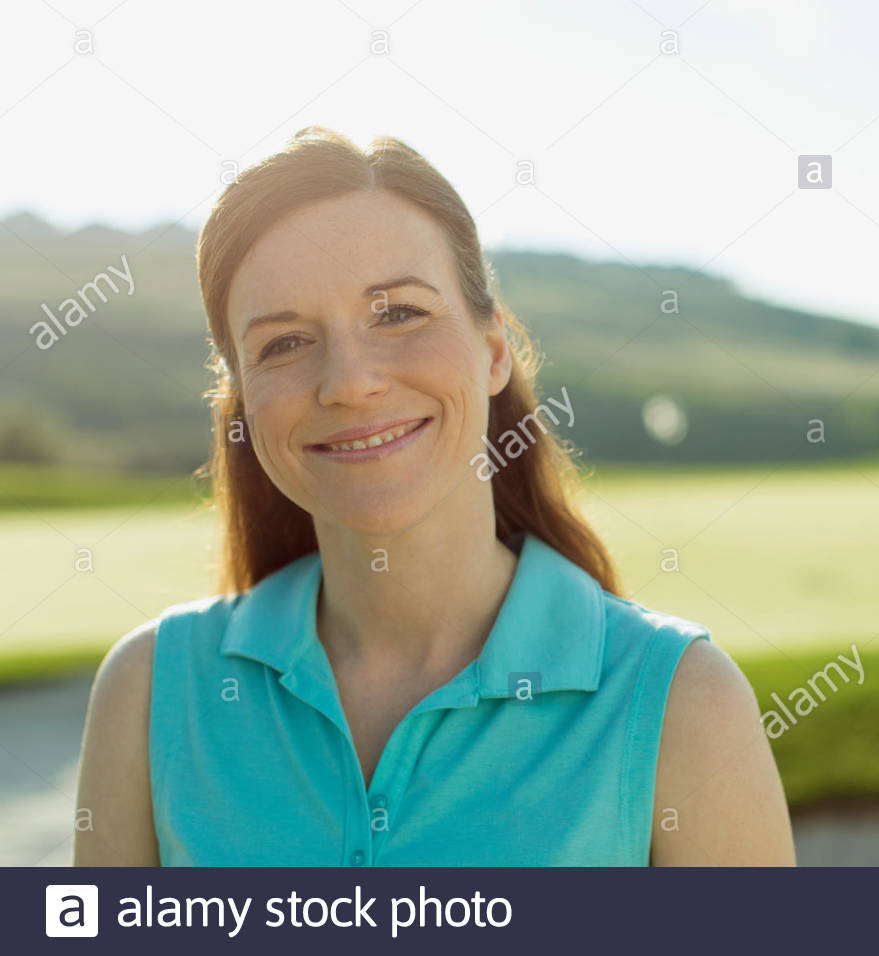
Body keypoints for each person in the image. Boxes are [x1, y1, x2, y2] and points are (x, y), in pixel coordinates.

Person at [74, 126, 795, 866]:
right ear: (242, 402)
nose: (349, 383)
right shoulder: (150, 690)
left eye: (398, 314)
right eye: (284, 343)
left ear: (492, 352)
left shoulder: (682, 703)